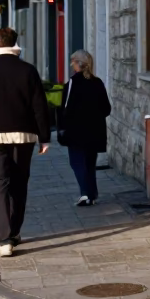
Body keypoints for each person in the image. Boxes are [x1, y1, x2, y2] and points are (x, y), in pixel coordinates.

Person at [0, 27, 51, 257]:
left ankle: (4, 239)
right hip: (23, 135)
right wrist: (45, 137)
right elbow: (39, 106)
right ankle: (14, 232)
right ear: (15, 45)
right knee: (19, 184)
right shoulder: (28, 71)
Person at [59, 50, 111, 207]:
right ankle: (91, 193)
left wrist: (63, 127)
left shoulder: (72, 83)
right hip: (95, 131)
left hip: (76, 132)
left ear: (77, 64)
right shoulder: (98, 82)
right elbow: (106, 109)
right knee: (89, 163)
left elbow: (65, 109)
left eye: (72, 62)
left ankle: (86, 194)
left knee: (77, 162)